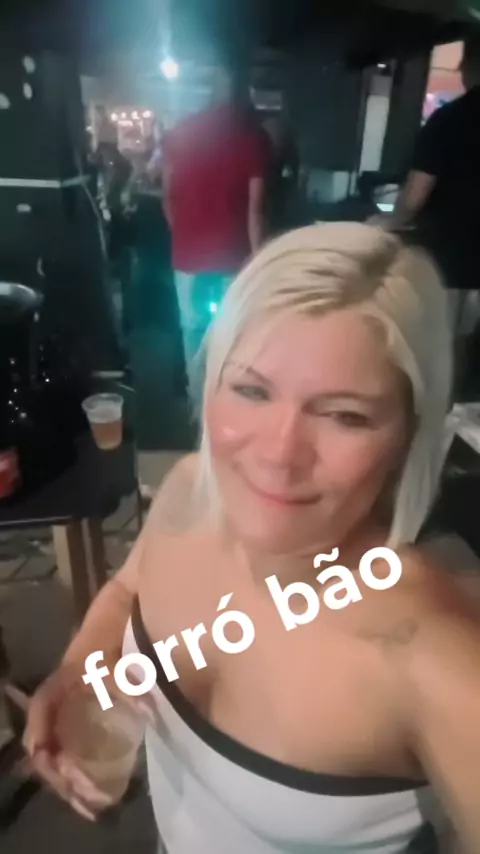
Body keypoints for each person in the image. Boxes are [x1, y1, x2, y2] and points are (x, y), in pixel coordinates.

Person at [24, 223, 480, 853]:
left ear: (407, 434)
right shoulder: (191, 487)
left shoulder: (435, 656)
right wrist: (79, 670)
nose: (278, 454)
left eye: (345, 415)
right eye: (251, 390)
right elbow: (129, 589)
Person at [161, 61, 272, 403]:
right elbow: (255, 209)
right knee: (234, 332)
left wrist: (185, 232)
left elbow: (167, 198)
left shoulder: (179, 133)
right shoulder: (253, 138)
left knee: (191, 331)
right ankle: (228, 402)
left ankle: (198, 404)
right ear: (242, 92)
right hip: (233, 256)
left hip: (187, 255)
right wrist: (260, 259)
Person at [390, 35, 480, 351]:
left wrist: (390, 224)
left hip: (448, 263)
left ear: (469, 66)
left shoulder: (448, 120)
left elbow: (415, 196)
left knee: (441, 349)